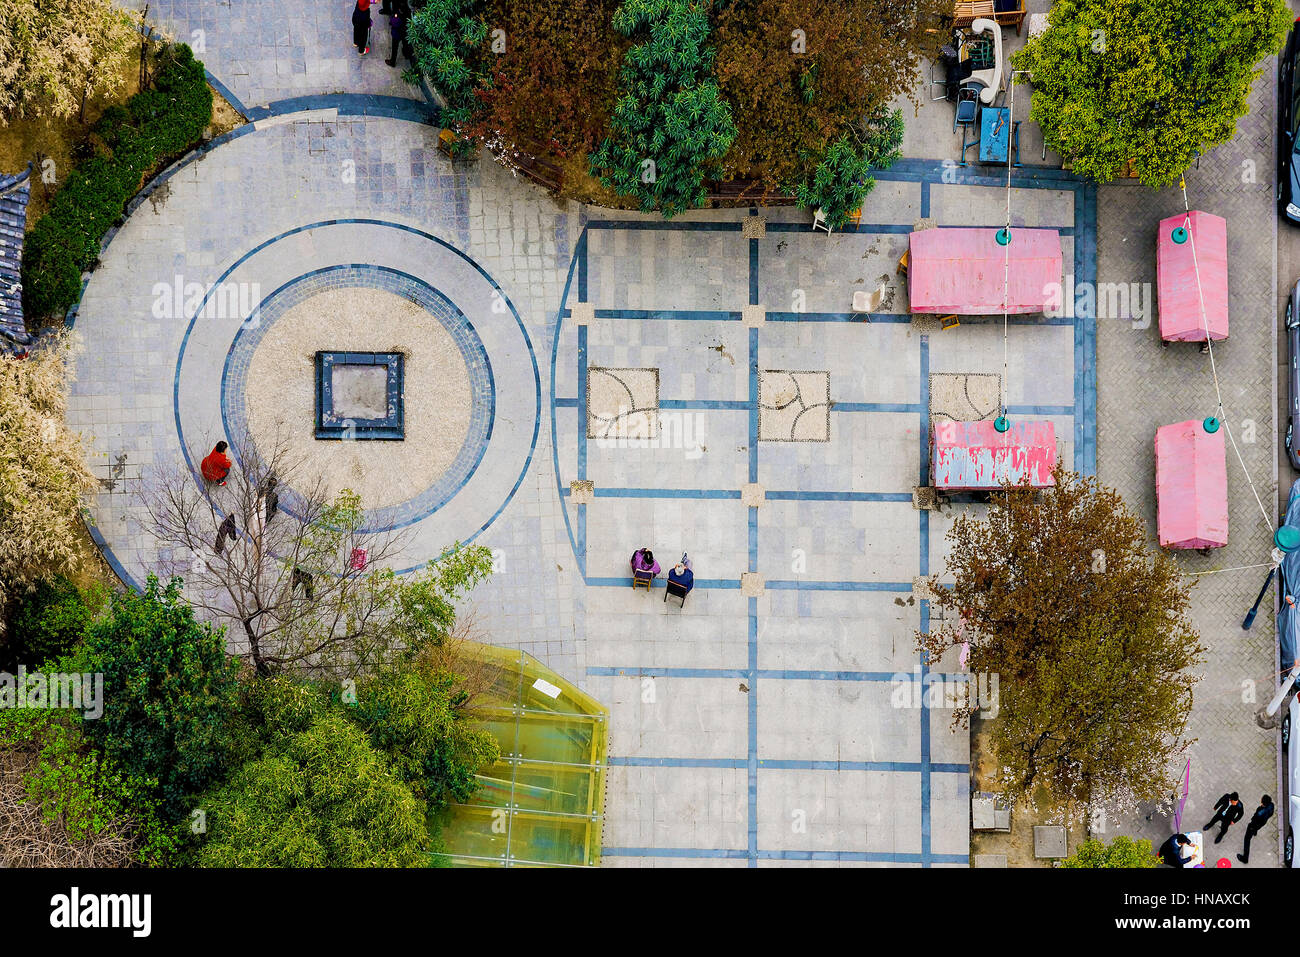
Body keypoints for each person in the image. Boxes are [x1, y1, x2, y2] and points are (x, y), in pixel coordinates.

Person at [1237, 795, 1274, 863]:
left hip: (1254, 825)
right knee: (1257, 828)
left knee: (1247, 839)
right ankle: (1255, 832)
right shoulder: (1271, 805)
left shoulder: (1260, 813)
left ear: (1262, 802)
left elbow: (1255, 820)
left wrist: (1251, 826)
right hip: (1261, 823)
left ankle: (1245, 858)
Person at [386, 0, 411, 68]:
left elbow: (393, 22)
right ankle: (406, 54)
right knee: (405, 42)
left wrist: (394, 17)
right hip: (405, 30)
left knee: (395, 47)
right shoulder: (408, 11)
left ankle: (392, 61)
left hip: (397, 32)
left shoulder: (397, 14)